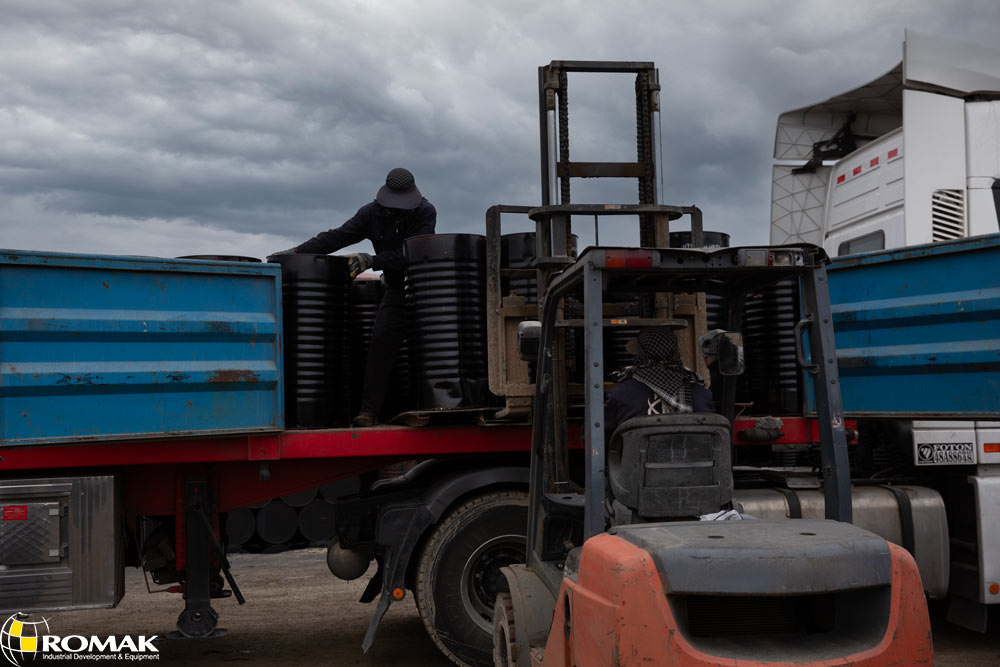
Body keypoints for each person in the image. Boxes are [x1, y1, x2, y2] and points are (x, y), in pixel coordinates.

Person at [283, 167, 436, 427]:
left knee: (433, 349)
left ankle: (433, 406)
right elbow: (337, 236)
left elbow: (413, 254)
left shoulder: (424, 212)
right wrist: (295, 252)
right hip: (397, 288)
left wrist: (371, 260)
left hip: (426, 288)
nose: (399, 212)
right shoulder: (371, 214)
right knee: (380, 344)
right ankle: (369, 411)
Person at [603, 327, 713, 440]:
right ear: (676, 352)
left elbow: (599, 440)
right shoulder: (703, 395)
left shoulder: (621, 395)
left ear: (640, 355)